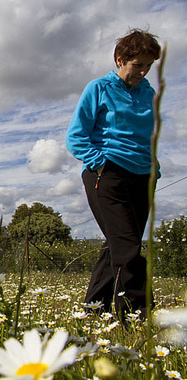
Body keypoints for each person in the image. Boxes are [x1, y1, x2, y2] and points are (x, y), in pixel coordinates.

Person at [65, 28, 161, 320]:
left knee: (117, 244)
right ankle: (136, 316)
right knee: (128, 248)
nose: (143, 72)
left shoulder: (149, 94)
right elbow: (76, 136)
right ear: (120, 59)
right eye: (137, 65)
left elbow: (149, 136)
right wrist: (100, 163)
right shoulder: (98, 88)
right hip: (107, 174)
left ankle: (93, 309)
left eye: (148, 66)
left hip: (142, 177)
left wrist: (154, 168)